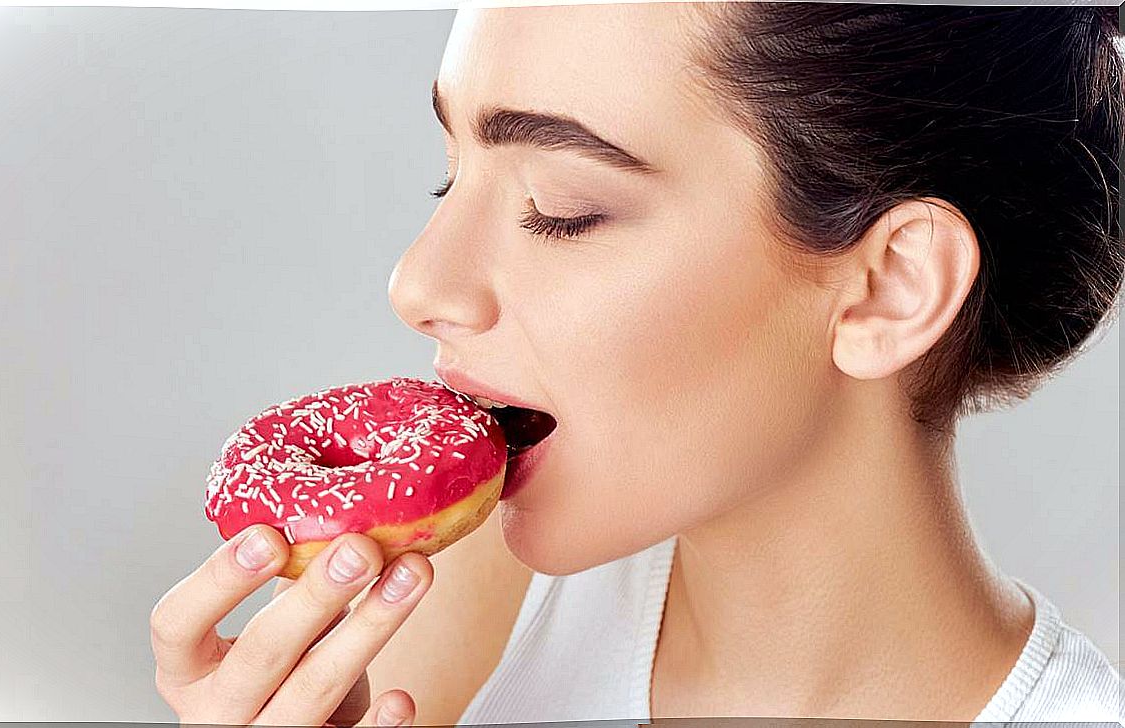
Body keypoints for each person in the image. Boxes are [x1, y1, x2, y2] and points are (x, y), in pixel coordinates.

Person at [151, 2, 1124, 725]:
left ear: (888, 288)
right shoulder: (461, 599)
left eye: (559, 206)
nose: (415, 280)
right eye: (451, 175)